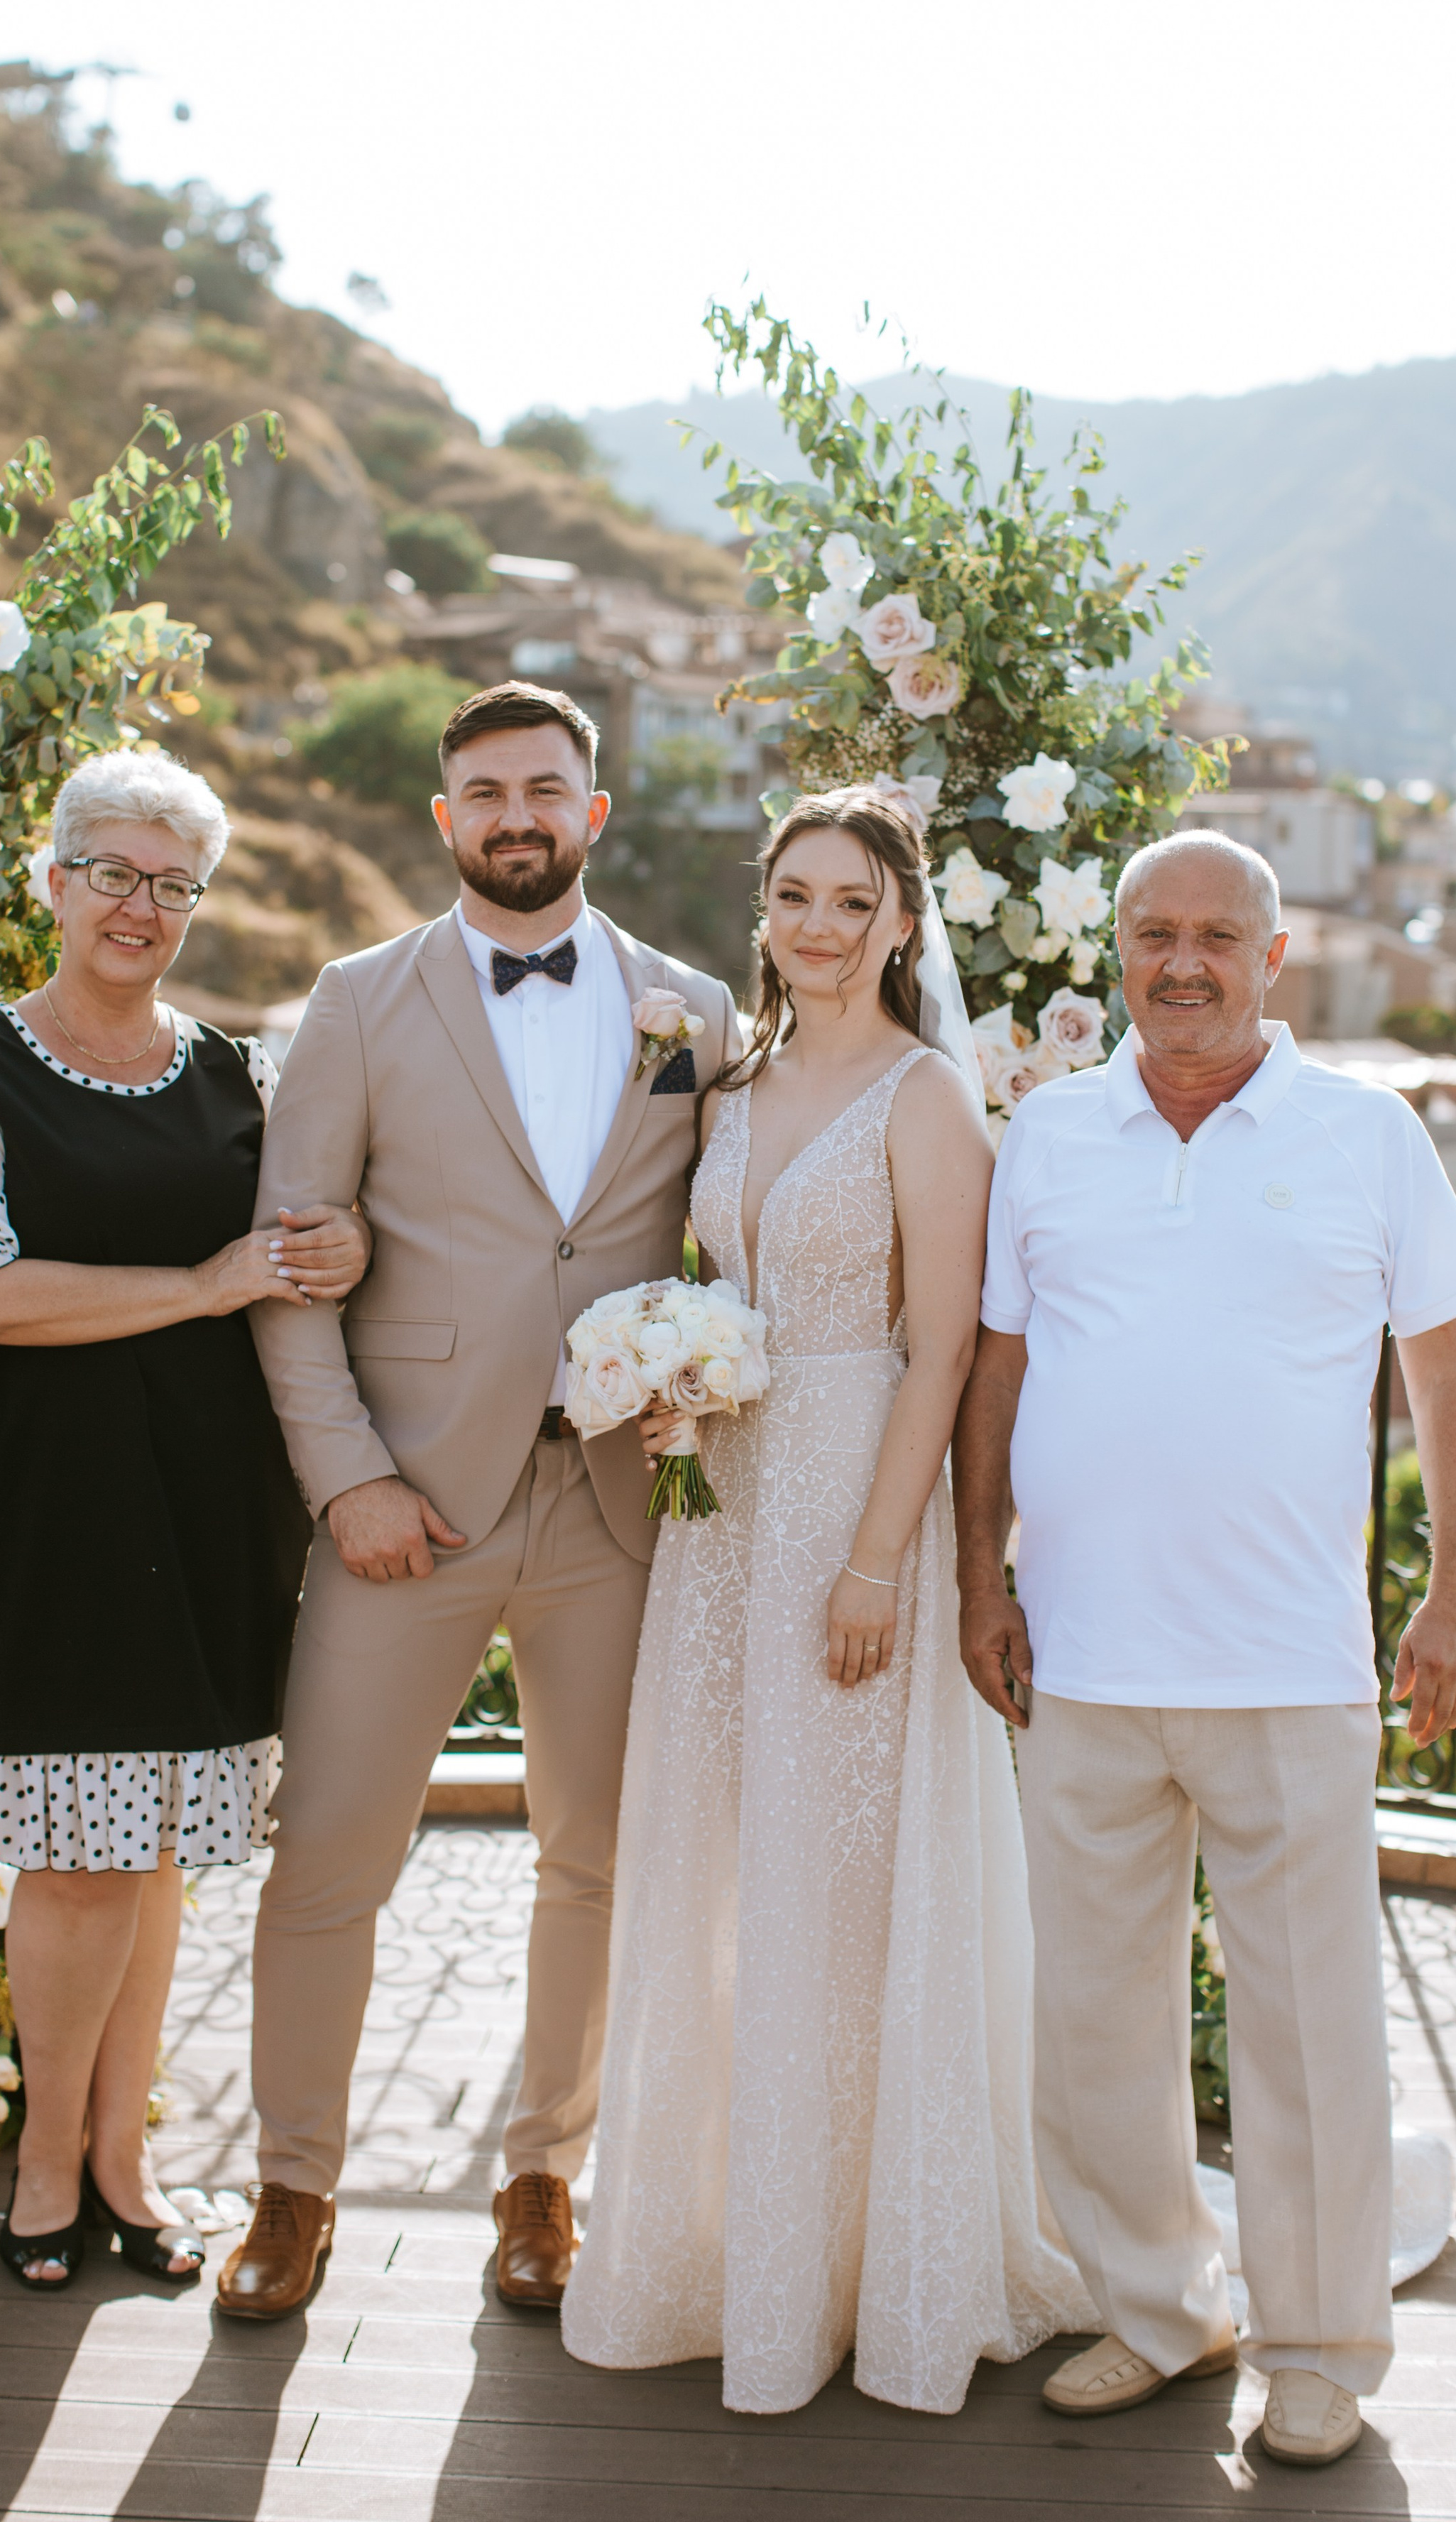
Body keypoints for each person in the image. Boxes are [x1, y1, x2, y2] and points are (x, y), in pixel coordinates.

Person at [953, 829, 1456, 2469]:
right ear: (1112, 953)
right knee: (1092, 2022)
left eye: (1213, 935)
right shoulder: (1045, 1134)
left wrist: (1451, 1597)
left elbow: (1449, 1389)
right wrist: (980, 1576)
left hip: (1289, 1663)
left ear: (1273, 958)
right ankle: (1153, 2312)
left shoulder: (1365, 1132)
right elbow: (993, 1380)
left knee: (1309, 2032)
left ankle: (1321, 2348)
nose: (1177, 962)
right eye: (1148, 934)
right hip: (1081, 1664)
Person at [560, 788, 1091, 2415]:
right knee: (728, 1856)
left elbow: (943, 1347)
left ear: (901, 921)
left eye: (851, 900)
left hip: (853, 1494)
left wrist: (881, 1564)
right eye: (792, 895)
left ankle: (872, 2262)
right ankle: (734, 2242)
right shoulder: (723, 1085)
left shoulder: (927, 1101)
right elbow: (709, 1279)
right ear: (765, 909)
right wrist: (666, 1381)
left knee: (852, 1873)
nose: (816, 926)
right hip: (722, 1509)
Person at [216, 680, 739, 2322]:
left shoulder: (695, 1012)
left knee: (593, 1858)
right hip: (405, 1505)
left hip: (614, 1508)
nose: (516, 814)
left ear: (595, 813)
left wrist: (697, 1380)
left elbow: (726, 1236)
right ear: (444, 822)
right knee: (327, 1864)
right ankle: (292, 2189)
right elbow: (293, 1271)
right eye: (485, 792)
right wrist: (347, 1480)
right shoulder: (356, 1001)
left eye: (545, 788)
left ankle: (541, 2179)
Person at [0, 748, 370, 2291]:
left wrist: (331, 1248)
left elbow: (302, 1243)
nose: (140, 907)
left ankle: (123, 2162)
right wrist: (201, 1286)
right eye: (113, 873)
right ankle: (42, 2164)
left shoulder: (235, 1072)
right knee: (80, 1860)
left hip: (206, 1490)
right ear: (55, 882)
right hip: (51, 1486)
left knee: (151, 1850)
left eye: (172, 883)